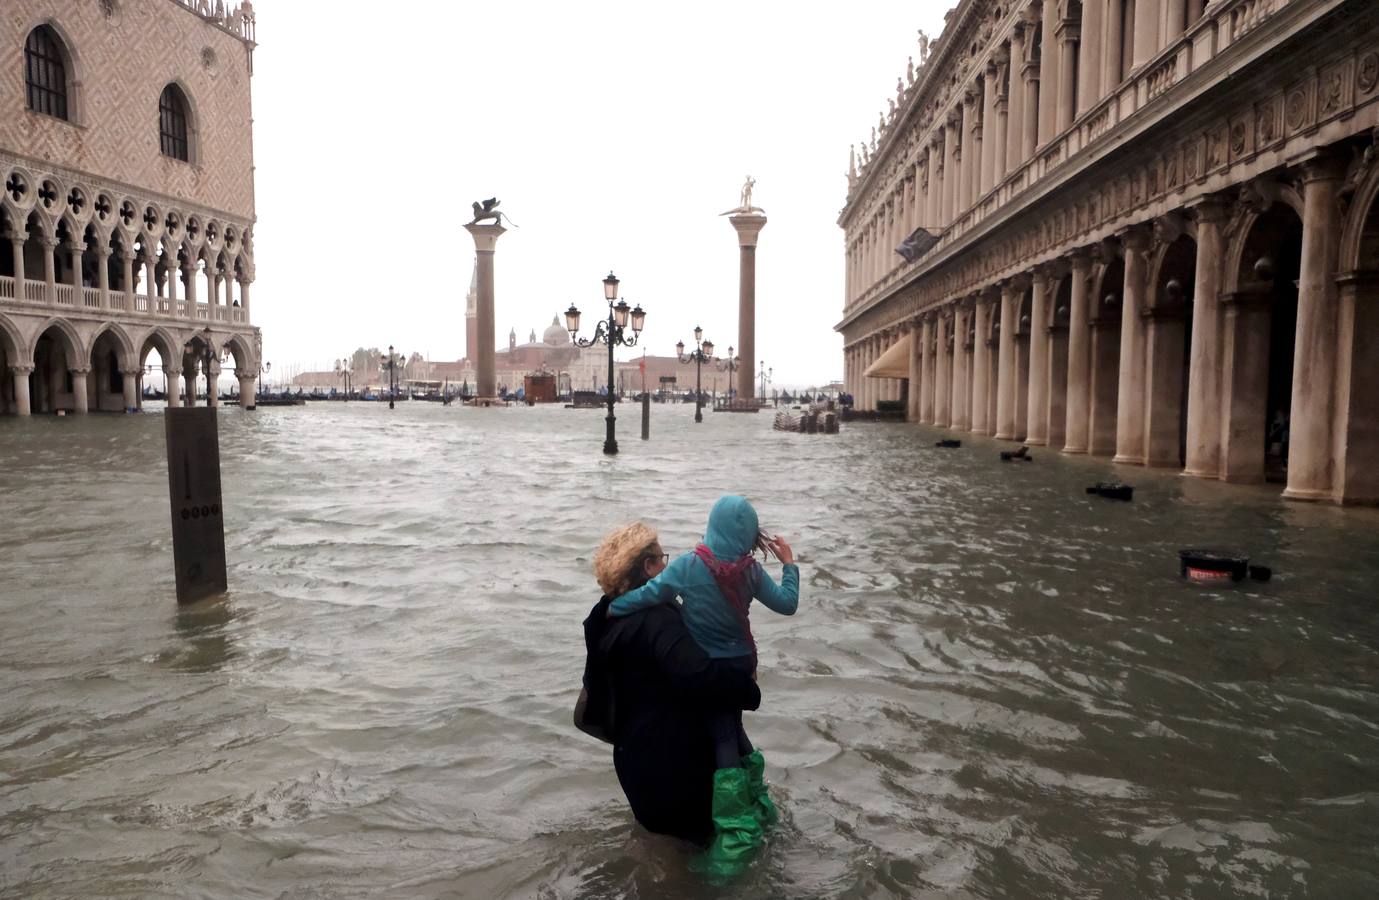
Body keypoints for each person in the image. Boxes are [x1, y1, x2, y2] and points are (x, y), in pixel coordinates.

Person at [607, 496, 798, 871]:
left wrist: (614, 608)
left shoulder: (688, 566)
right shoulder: (751, 572)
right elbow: (787, 604)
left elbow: (651, 594)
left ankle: (734, 832)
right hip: (743, 665)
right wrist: (789, 565)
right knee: (736, 731)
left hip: (710, 670)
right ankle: (760, 804)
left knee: (723, 734)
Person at [579, 523, 761, 846]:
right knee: (706, 867)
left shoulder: (604, 617)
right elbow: (701, 676)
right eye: (662, 558)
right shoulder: (658, 620)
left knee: (661, 860)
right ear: (648, 568)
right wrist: (749, 690)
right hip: (675, 771)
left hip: (634, 766)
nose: (667, 565)